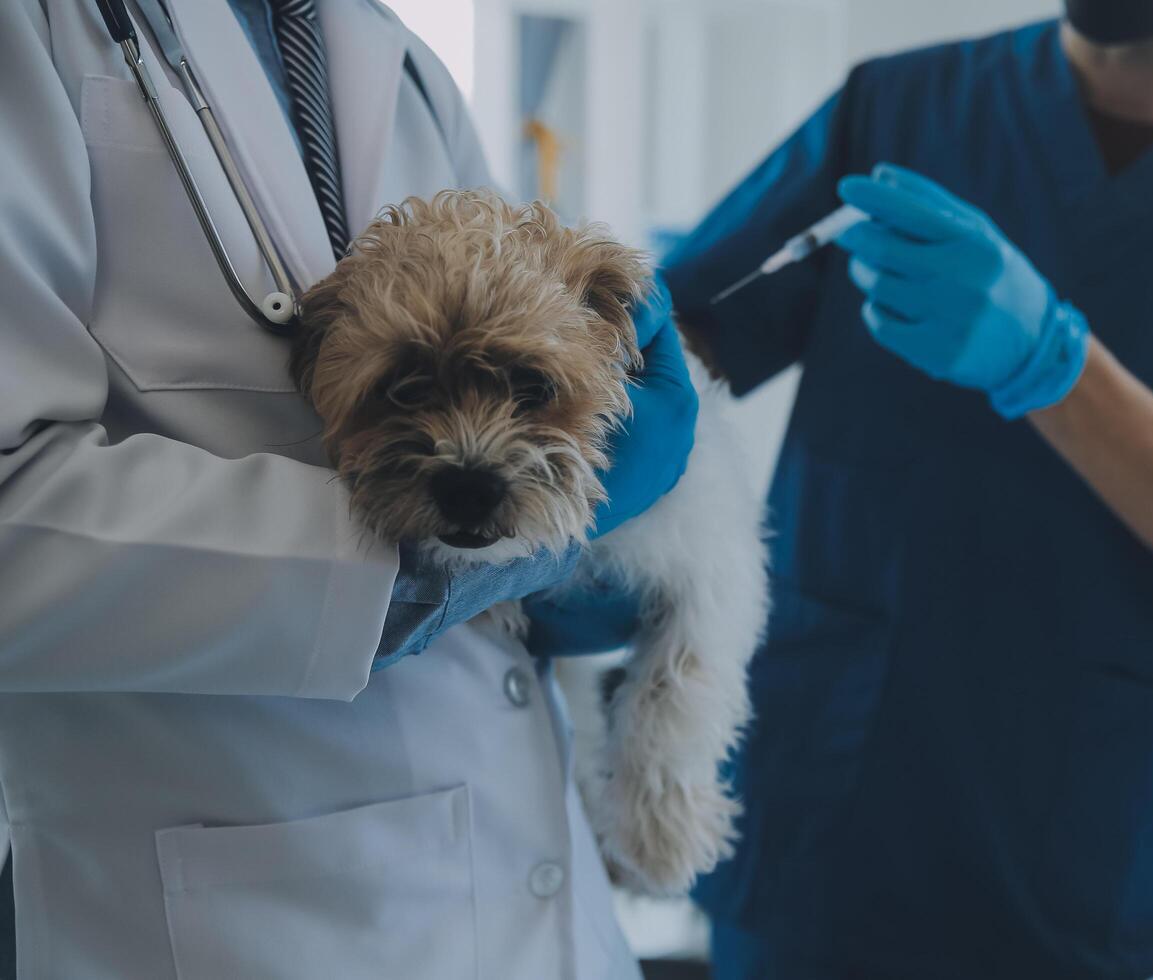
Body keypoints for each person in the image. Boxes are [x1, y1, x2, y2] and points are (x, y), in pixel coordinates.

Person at [663, 1, 1153, 977]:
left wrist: (1053, 365)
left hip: (1118, 864)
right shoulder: (903, 109)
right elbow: (679, 339)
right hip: (835, 825)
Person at [0, 0, 695, 976]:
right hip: (227, 911)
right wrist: (435, 570)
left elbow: (539, 348)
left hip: (524, 873)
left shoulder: (394, 58)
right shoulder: (36, 29)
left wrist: (568, 565)